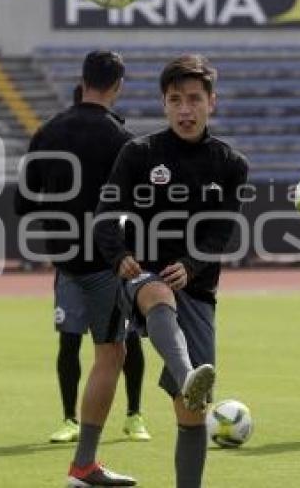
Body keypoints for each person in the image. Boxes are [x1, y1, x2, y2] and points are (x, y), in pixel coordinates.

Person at [94, 54, 249, 488]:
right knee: (157, 291)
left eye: (194, 100)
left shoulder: (231, 164)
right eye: (176, 100)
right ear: (164, 104)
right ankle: (188, 377)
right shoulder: (139, 153)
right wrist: (118, 255)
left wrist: (192, 264)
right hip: (141, 277)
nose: (185, 109)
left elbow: (221, 233)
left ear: (211, 103)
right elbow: (107, 213)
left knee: (191, 414)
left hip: (198, 291)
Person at [14, 50, 138, 486]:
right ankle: (84, 464)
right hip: (104, 262)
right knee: (112, 354)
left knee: (73, 345)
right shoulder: (121, 139)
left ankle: (83, 453)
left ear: (82, 80)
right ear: (117, 86)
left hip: (64, 261)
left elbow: (23, 204)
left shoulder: (47, 132)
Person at [44, 83, 151, 446]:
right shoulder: (66, 148)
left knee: (126, 338)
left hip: (111, 260)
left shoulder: (116, 145)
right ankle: (69, 418)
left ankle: (134, 414)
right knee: (71, 340)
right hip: (74, 261)